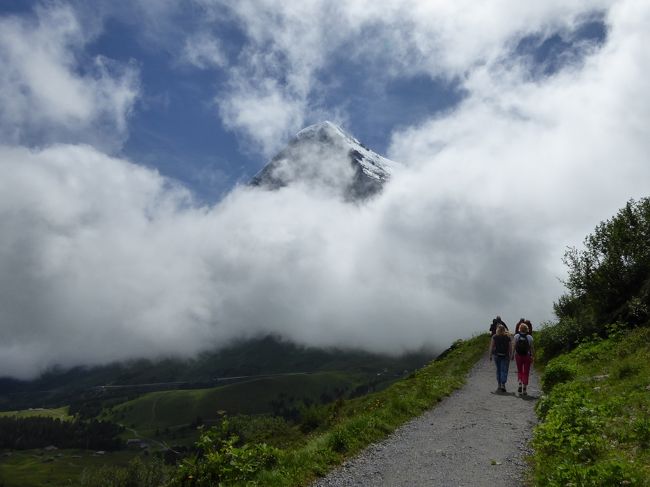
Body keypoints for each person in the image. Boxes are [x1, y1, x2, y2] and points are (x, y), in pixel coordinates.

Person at [512, 323, 534, 396]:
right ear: (527, 329)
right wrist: (533, 356)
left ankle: (520, 384)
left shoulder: (516, 336)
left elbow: (514, 346)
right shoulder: (529, 337)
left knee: (520, 370)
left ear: (520, 329)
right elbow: (531, 348)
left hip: (518, 355)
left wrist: (512, 354)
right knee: (526, 372)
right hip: (527, 356)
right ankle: (524, 388)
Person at [489, 324, 511, 392]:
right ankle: (503, 384)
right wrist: (511, 354)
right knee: (504, 370)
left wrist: (490, 355)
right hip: (505, 356)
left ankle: (499, 385)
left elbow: (491, 346)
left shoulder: (495, 336)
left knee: (498, 370)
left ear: (497, 329)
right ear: (504, 329)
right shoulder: (507, 337)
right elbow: (510, 347)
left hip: (497, 355)